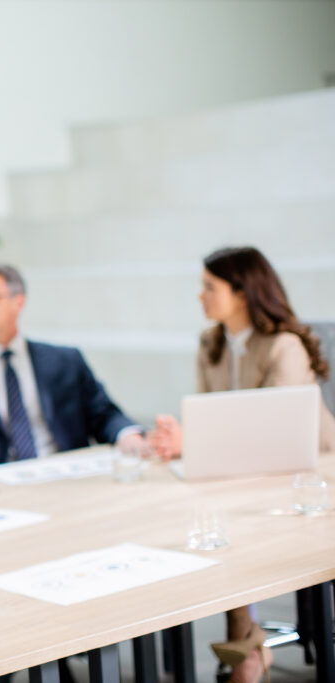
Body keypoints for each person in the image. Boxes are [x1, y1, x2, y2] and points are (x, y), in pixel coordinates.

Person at [149, 246, 335, 683]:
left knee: (229, 523)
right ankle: (247, 650)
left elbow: (274, 432)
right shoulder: (210, 342)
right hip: (246, 470)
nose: (200, 296)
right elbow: (212, 419)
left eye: (209, 287)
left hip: (309, 472)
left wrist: (191, 440)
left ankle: (247, 653)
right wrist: (179, 439)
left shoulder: (284, 346)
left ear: (243, 292)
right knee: (200, 516)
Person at [0, 264, 146, 469]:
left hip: (64, 473)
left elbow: (104, 414)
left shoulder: (66, 361)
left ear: (18, 302)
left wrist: (128, 436)